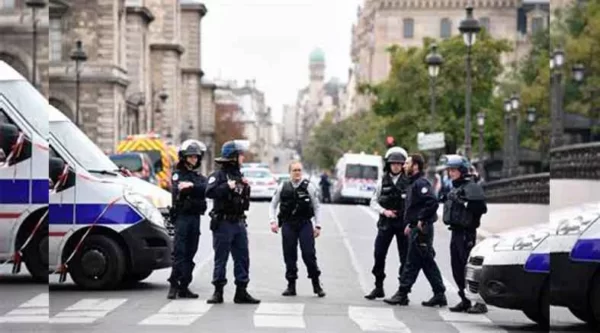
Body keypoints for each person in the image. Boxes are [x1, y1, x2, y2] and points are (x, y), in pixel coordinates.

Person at [384, 153, 447, 307]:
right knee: (426, 261)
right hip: (416, 228)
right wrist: (410, 224)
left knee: (412, 262)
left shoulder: (421, 183)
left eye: (407, 163)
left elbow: (432, 202)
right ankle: (439, 293)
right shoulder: (413, 183)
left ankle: (402, 293)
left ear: (416, 166)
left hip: (422, 229)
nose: (404, 166)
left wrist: (421, 219)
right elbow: (414, 207)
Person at [205, 140, 260, 304]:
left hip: (239, 222)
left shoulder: (239, 176)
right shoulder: (218, 175)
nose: (243, 157)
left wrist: (244, 187)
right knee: (221, 258)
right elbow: (209, 192)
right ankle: (218, 291)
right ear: (233, 157)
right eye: (240, 155)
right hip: (223, 223)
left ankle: (241, 291)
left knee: (242, 257)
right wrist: (226, 187)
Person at [269, 161, 325, 297]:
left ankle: (316, 284)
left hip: (304, 224)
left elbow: (317, 206)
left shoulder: (309, 187)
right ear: (290, 172)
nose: (297, 173)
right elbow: (273, 205)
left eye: (299, 170)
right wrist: (272, 222)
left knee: (309, 254)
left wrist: (318, 225)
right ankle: (291, 285)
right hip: (288, 224)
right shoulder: (283, 186)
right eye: (294, 170)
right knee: (289, 255)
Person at [441, 154, 489, 314]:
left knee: (469, 269)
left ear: (462, 170)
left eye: (454, 170)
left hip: (466, 233)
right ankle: (465, 299)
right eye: (449, 170)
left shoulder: (472, 187)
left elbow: (482, 208)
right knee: (456, 268)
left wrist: (464, 201)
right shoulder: (455, 187)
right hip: (455, 232)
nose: (451, 173)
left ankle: (479, 302)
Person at [365, 146, 409, 300]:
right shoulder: (381, 181)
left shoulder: (409, 182)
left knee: (404, 258)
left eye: (399, 163)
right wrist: (385, 211)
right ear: (389, 165)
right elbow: (373, 201)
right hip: (386, 223)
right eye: (393, 163)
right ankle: (378, 287)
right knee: (379, 254)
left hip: (403, 225)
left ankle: (403, 291)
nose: (396, 166)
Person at [167, 139, 208, 299]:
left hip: (195, 218)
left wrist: (191, 187)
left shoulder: (197, 176)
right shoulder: (178, 174)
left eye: (196, 157)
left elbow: (205, 189)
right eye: (190, 157)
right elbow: (179, 189)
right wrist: (192, 188)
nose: (193, 159)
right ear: (184, 157)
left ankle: (184, 286)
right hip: (182, 218)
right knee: (179, 252)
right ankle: (173, 285)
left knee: (191, 252)